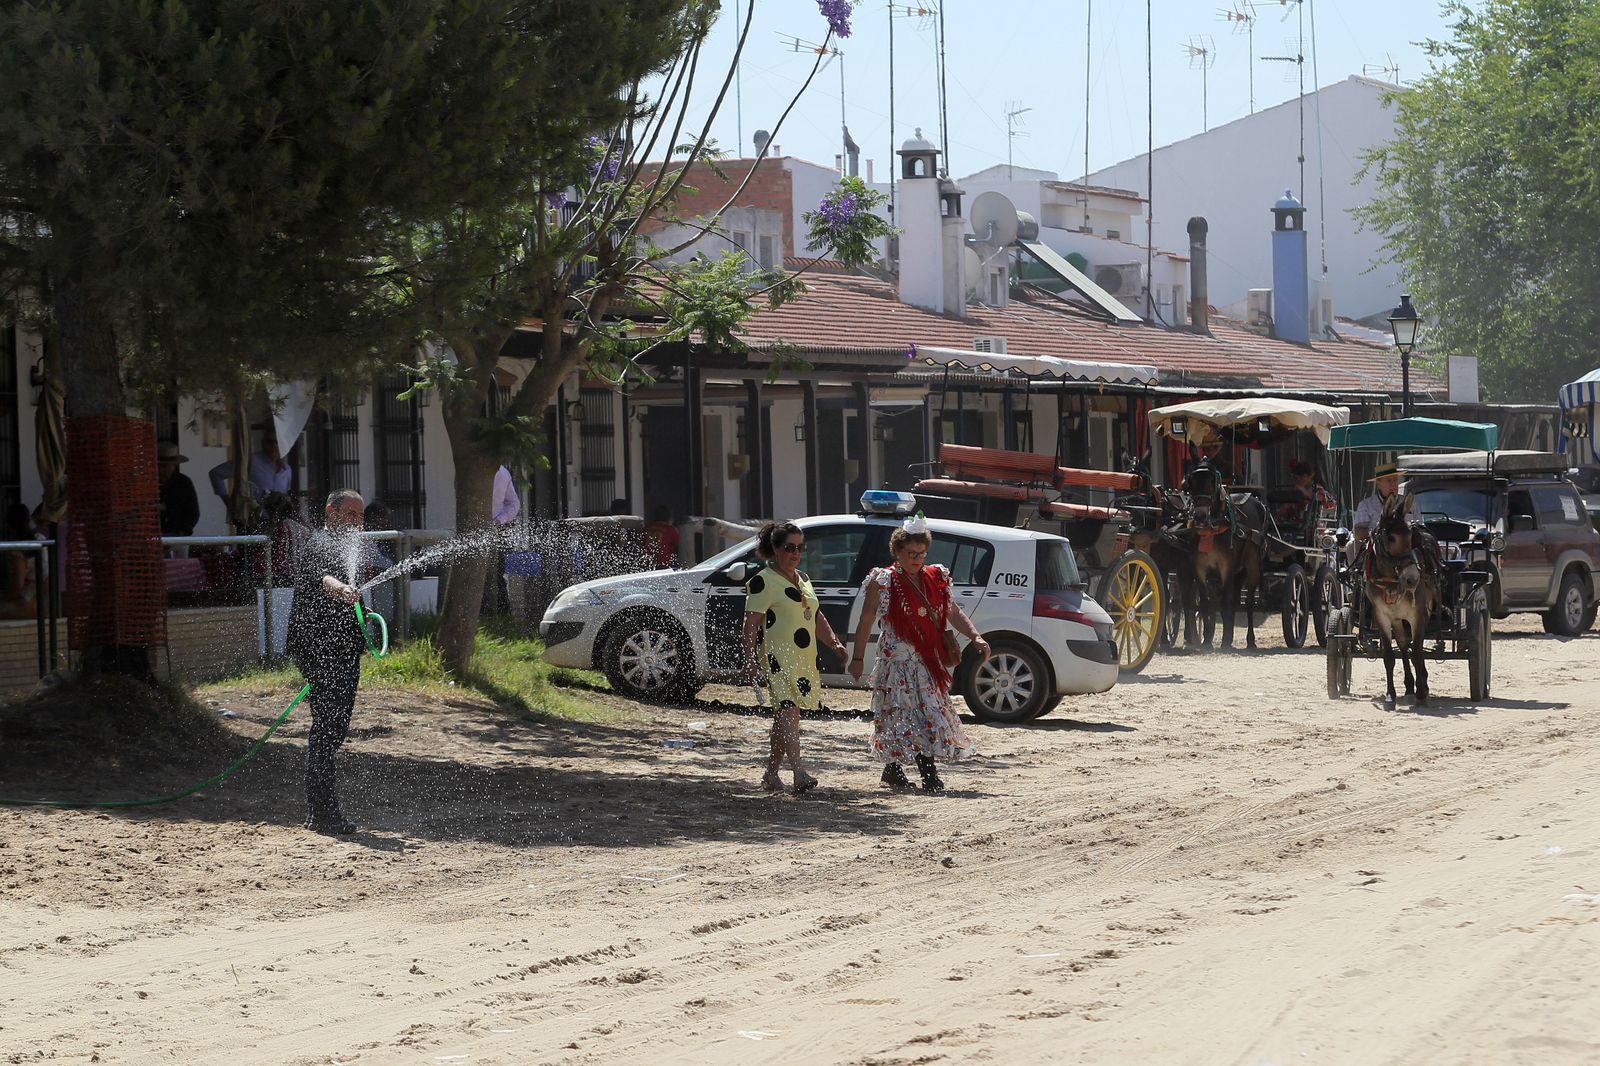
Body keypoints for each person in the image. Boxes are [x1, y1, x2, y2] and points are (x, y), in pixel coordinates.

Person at [848, 514, 989, 792]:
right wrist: (857, 658)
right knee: (898, 715)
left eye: (921, 553)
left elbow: (952, 611)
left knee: (927, 714)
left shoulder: (935, 577)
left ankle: (913, 771)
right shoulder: (883, 580)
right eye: (911, 553)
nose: (917, 558)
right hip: (896, 662)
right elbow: (866, 619)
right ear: (897, 551)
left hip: (926, 661)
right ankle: (916, 772)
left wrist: (975, 635)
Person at [742, 521, 847, 794]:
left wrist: (835, 643)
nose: (795, 553)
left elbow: (815, 616)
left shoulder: (803, 579)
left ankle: (771, 774)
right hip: (778, 658)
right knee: (788, 712)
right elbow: (751, 623)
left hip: (803, 658)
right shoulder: (763, 581)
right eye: (790, 547)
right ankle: (799, 772)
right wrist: (750, 658)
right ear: (776, 548)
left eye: (800, 548)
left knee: (787, 717)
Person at [285, 490, 368, 835]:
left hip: (341, 649)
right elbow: (326, 580)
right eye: (350, 514)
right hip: (319, 650)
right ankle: (322, 812)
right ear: (330, 511)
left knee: (333, 728)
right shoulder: (318, 544)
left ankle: (321, 809)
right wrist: (343, 590)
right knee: (327, 727)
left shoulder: (348, 548)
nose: (355, 522)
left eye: (360, 517)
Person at [208, 434, 293, 504]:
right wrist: (228, 503)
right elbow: (216, 474)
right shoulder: (249, 461)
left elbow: (286, 495)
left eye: (278, 442)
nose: (274, 446)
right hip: (252, 520)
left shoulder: (287, 470)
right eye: (270, 442)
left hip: (277, 521)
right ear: (263, 443)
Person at [0, 503, 40, 620]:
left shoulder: (18, 549)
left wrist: (7, 597)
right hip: (46, 598)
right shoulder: (40, 539)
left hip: (30, 600)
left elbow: (18, 584)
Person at [156, 442, 200, 538]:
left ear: (174, 466)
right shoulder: (149, 483)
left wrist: (183, 531)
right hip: (154, 534)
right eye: (159, 466)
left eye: (165, 466)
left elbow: (193, 512)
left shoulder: (183, 483)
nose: (160, 470)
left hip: (178, 534)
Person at [1353, 461, 1402, 547]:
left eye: (1395, 480)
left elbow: (1419, 527)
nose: (1393, 484)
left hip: (1405, 546)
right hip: (1376, 546)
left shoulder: (1409, 502)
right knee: (1351, 546)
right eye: (1389, 481)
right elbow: (1358, 533)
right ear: (1378, 484)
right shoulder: (1366, 505)